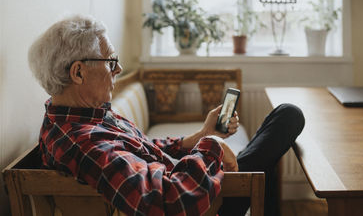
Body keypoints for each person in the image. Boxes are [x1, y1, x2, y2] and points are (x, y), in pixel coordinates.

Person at [28, 15, 304, 216]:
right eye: (111, 61)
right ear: (78, 72)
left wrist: (200, 137)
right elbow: (169, 202)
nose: (119, 68)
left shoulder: (80, 117)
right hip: (202, 200)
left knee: (281, 125)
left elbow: (142, 146)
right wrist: (213, 146)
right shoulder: (85, 143)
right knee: (287, 118)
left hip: (186, 175)